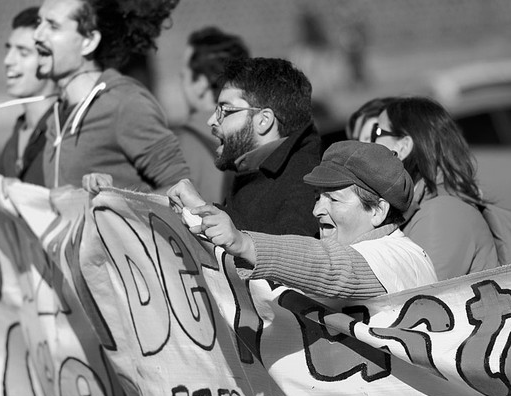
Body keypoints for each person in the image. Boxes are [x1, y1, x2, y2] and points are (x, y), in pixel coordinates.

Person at [173, 140, 437, 298]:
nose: (317, 210)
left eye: (333, 199)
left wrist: (243, 243)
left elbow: (333, 268)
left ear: (378, 211)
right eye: (317, 197)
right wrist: (198, 213)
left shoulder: (400, 258)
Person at [33, 0, 189, 192]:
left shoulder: (125, 103)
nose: (37, 35)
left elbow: (181, 189)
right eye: (38, 22)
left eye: (53, 26)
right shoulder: (56, 114)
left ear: (88, 42)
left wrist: (116, 198)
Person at [167, 57, 322, 237]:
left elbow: (292, 253)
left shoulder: (308, 179)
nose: (211, 121)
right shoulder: (250, 168)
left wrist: (202, 210)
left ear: (264, 120)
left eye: (225, 110)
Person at [371, 96, 499, 280]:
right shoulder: (424, 205)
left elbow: (418, 298)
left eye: (377, 131)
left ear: (403, 146)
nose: (369, 142)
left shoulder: (443, 213)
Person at [174, 26, 250, 204]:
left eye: (183, 76)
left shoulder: (182, 145)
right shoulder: (259, 132)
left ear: (200, 83)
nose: (180, 81)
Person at [0, 6, 59, 185]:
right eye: (9, 49)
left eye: (23, 53)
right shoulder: (13, 142)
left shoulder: (67, 132)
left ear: (48, 59)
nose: (8, 61)